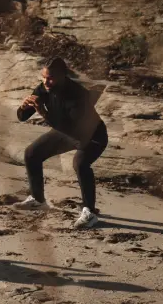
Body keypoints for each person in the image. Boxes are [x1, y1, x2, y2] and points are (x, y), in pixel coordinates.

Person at [15, 56, 108, 229]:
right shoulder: (44, 88)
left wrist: (43, 113)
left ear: (63, 76)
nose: (46, 81)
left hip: (92, 136)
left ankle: (90, 213)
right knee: (32, 154)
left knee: (80, 164)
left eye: (50, 78)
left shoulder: (77, 94)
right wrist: (23, 107)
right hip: (65, 132)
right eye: (43, 77)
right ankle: (37, 199)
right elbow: (22, 117)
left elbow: (72, 127)